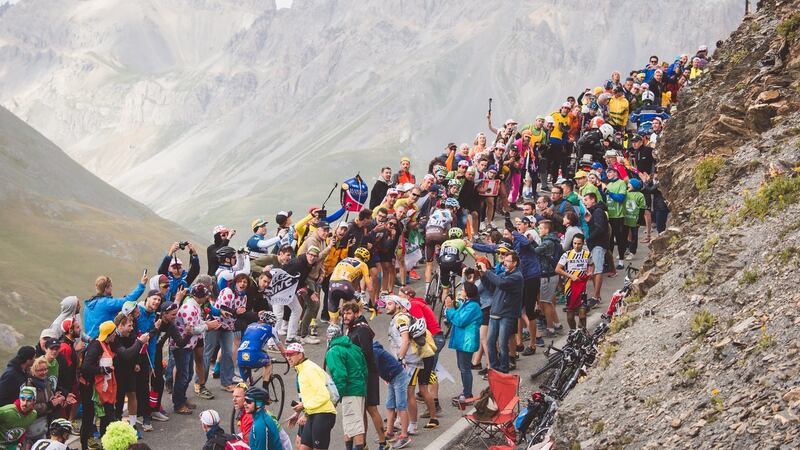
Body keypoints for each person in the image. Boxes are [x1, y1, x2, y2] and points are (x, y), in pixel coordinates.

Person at [79, 320, 149, 449]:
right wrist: (102, 370)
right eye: (113, 334)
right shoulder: (96, 346)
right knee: (89, 419)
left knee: (107, 419)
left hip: (105, 389)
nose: (115, 336)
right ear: (109, 334)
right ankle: (85, 445)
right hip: (93, 391)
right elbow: (85, 367)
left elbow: (126, 354)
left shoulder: (107, 344)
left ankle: (105, 444)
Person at [384, 295, 438, 432]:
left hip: (411, 361)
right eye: (386, 304)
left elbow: (405, 340)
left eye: (390, 304)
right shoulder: (402, 317)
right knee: (420, 389)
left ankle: (412, 425)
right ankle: (431, 418)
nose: (386, 306)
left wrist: (400, 360)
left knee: (409, 393)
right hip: (416, 358)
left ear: (398, 306)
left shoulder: (401, 319)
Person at [340, 302, 385, 448]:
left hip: (368, 374)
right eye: (343, 314)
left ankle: (383, 442)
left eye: (348, 313)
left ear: (356, 313)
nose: (345, 317)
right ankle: (363, 443)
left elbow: (366, 353)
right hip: (358, 375)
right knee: (360, 410)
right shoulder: (351, 328)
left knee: (371, 408)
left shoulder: (362, 329)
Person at [173, 284, 221, 415]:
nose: (207, 298)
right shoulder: (189, 308)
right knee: (183, 377)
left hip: (188, 346)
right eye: (205, 296)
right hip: (182, 346)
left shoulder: (194, 305)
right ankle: (178, 404)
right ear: (201, 297)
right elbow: (191, 329)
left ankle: (182, 399)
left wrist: (206, 324)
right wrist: (207, 326)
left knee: (187, 375)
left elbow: (196, 324)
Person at [476, 251, 523, 374]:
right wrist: (482, 275)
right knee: (491, 342)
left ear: (515, 263)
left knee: (502, 343)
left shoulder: (517, 277)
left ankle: (503, 369)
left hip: (507, 315)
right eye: (504, 261)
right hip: (495, 313)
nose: (504, 263)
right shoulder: (503, 274)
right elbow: (492, 288)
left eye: (507, 261)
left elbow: (501, 283)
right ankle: (494, 368)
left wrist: (487, 271)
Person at [285, 343, 337, 450]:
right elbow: (310, 396)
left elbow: (323, 396)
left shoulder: (309, 369)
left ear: (300, 355)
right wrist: (298, 413)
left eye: (291, 354)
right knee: (302, 448)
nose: (288, 358)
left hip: (324, 414)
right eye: (287, 355)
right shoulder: (302, 369)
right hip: (313, 413)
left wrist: (303, 405)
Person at [324, 324, 368, 450]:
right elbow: (364, 369)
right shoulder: (354, 347)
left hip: (349, 392)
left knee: (355, 426)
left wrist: (336, 398)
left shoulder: (333, 351)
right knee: (349, 425)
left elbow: (340, 376)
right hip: (359, 389)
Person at [444, 281, 482, 403]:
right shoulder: (467, 303)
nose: (461, 291)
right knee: (462, 367)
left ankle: (467, 394)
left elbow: (459, 320)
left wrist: (449, 309)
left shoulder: (473, 306)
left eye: (463, 290)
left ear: (468, 292)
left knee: (465, 368)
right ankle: (466, 392)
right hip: (462, 341)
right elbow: (455, 318)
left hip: (467, 341)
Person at [84, 273, 147, 339]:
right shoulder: (106, 303)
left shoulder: (88, 304)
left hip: (89, 340)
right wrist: (142, 285)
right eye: (111, 286)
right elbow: (128, 300)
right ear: (106, 289)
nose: (112, 288)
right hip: (102, 339)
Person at [372, 341, 410, 449]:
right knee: (389, 405)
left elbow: (372, 370)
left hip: (398, 376)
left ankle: (404, 435)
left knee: (401, 405)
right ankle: (389, 432)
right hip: (391, 377)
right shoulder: (371, 350)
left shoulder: (373, 352)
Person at [555, 234, 595, 331]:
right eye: (574, 243)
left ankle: (583, 331)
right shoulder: (567, 254)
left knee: (582, 314)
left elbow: (592, 264)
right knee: (570, 315)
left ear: (583, 243)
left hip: (582, 288)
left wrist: (590, 272)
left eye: (579, 244)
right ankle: (573, 332)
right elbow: (557, 269)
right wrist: (570, 276)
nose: (576, 246)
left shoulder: (587, 254)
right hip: (570, 288)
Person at [237, 311, 286, 389]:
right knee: (268, 363)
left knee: (246, 385)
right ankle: (265, 390)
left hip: (240, 355)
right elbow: (281, 348)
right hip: (253, 355)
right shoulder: (271, 329)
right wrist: (287, 359)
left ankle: (245, 389)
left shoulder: (250, 325)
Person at [532, 220, 562, 338]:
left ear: (547, 230)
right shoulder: (552, 240)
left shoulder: (547, 242)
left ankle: (550, 328)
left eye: (540, 228)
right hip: (550, 274)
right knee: (547, 300)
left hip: (547, 275)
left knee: (546, 303)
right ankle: (557, 324)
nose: (539, 230)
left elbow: (535, 252)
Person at [327, 247, 370, 324]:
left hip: (331, 285)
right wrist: (374, 303)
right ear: (365, 259)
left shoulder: (344, 259)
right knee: (359, 306)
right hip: (345, 284)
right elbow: (370, 287)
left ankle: (333, 329)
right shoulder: (363, 264)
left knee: (333, 319)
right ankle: (354, 327)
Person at [584, 192, 609, 308]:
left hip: (598, 244)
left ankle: (596, 297)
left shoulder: (598, 211)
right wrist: (589, 222)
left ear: (593, 200)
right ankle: (596, 296)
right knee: (594, 270)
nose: (585, 202)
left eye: (586, 200)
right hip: (596, 244)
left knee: (598, 270)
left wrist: (589, 239)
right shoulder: (595, 211)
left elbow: (600, 228)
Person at [438, 227, 476, 301]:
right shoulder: (462, 241)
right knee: (469, 274)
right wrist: (478, 260)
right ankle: (466, 293)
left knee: (445, 290)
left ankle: (445, 309)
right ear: (460, 235)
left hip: (443, 264)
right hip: (454, 263)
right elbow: (472, 253)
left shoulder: (444, 243)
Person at [605, 167, 629, 269]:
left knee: (620, 239)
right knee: (609, 240)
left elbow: (620, 198)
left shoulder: (621, 183)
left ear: (615, 173)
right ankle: (610, 263)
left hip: (619, 216)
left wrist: (609, 193)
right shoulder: (609, 184)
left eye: (610, 172)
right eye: (607, 173)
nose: (608, 174)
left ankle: (621, 261)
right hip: (610, 216)